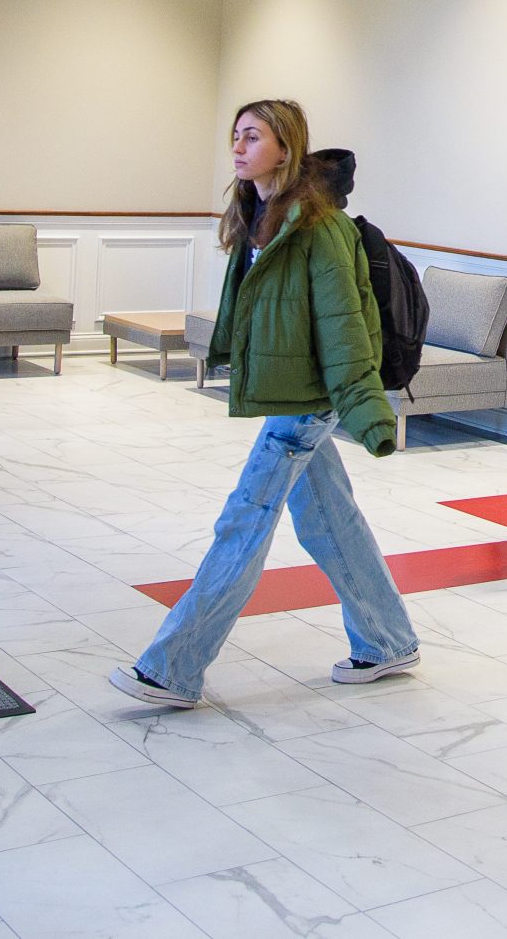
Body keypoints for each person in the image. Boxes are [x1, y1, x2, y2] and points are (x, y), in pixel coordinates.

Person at [110, 100, 418, 708]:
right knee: (329, 519)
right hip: (291, 390)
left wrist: (369, 412)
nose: (238, 147)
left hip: (314, 396)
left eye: (252, 137)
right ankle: (387, 640)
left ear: (287, 146)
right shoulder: (259, 214)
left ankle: (174, 667)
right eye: (235, 136)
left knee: (244, 520)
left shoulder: (319, 228)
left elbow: (344, 326)